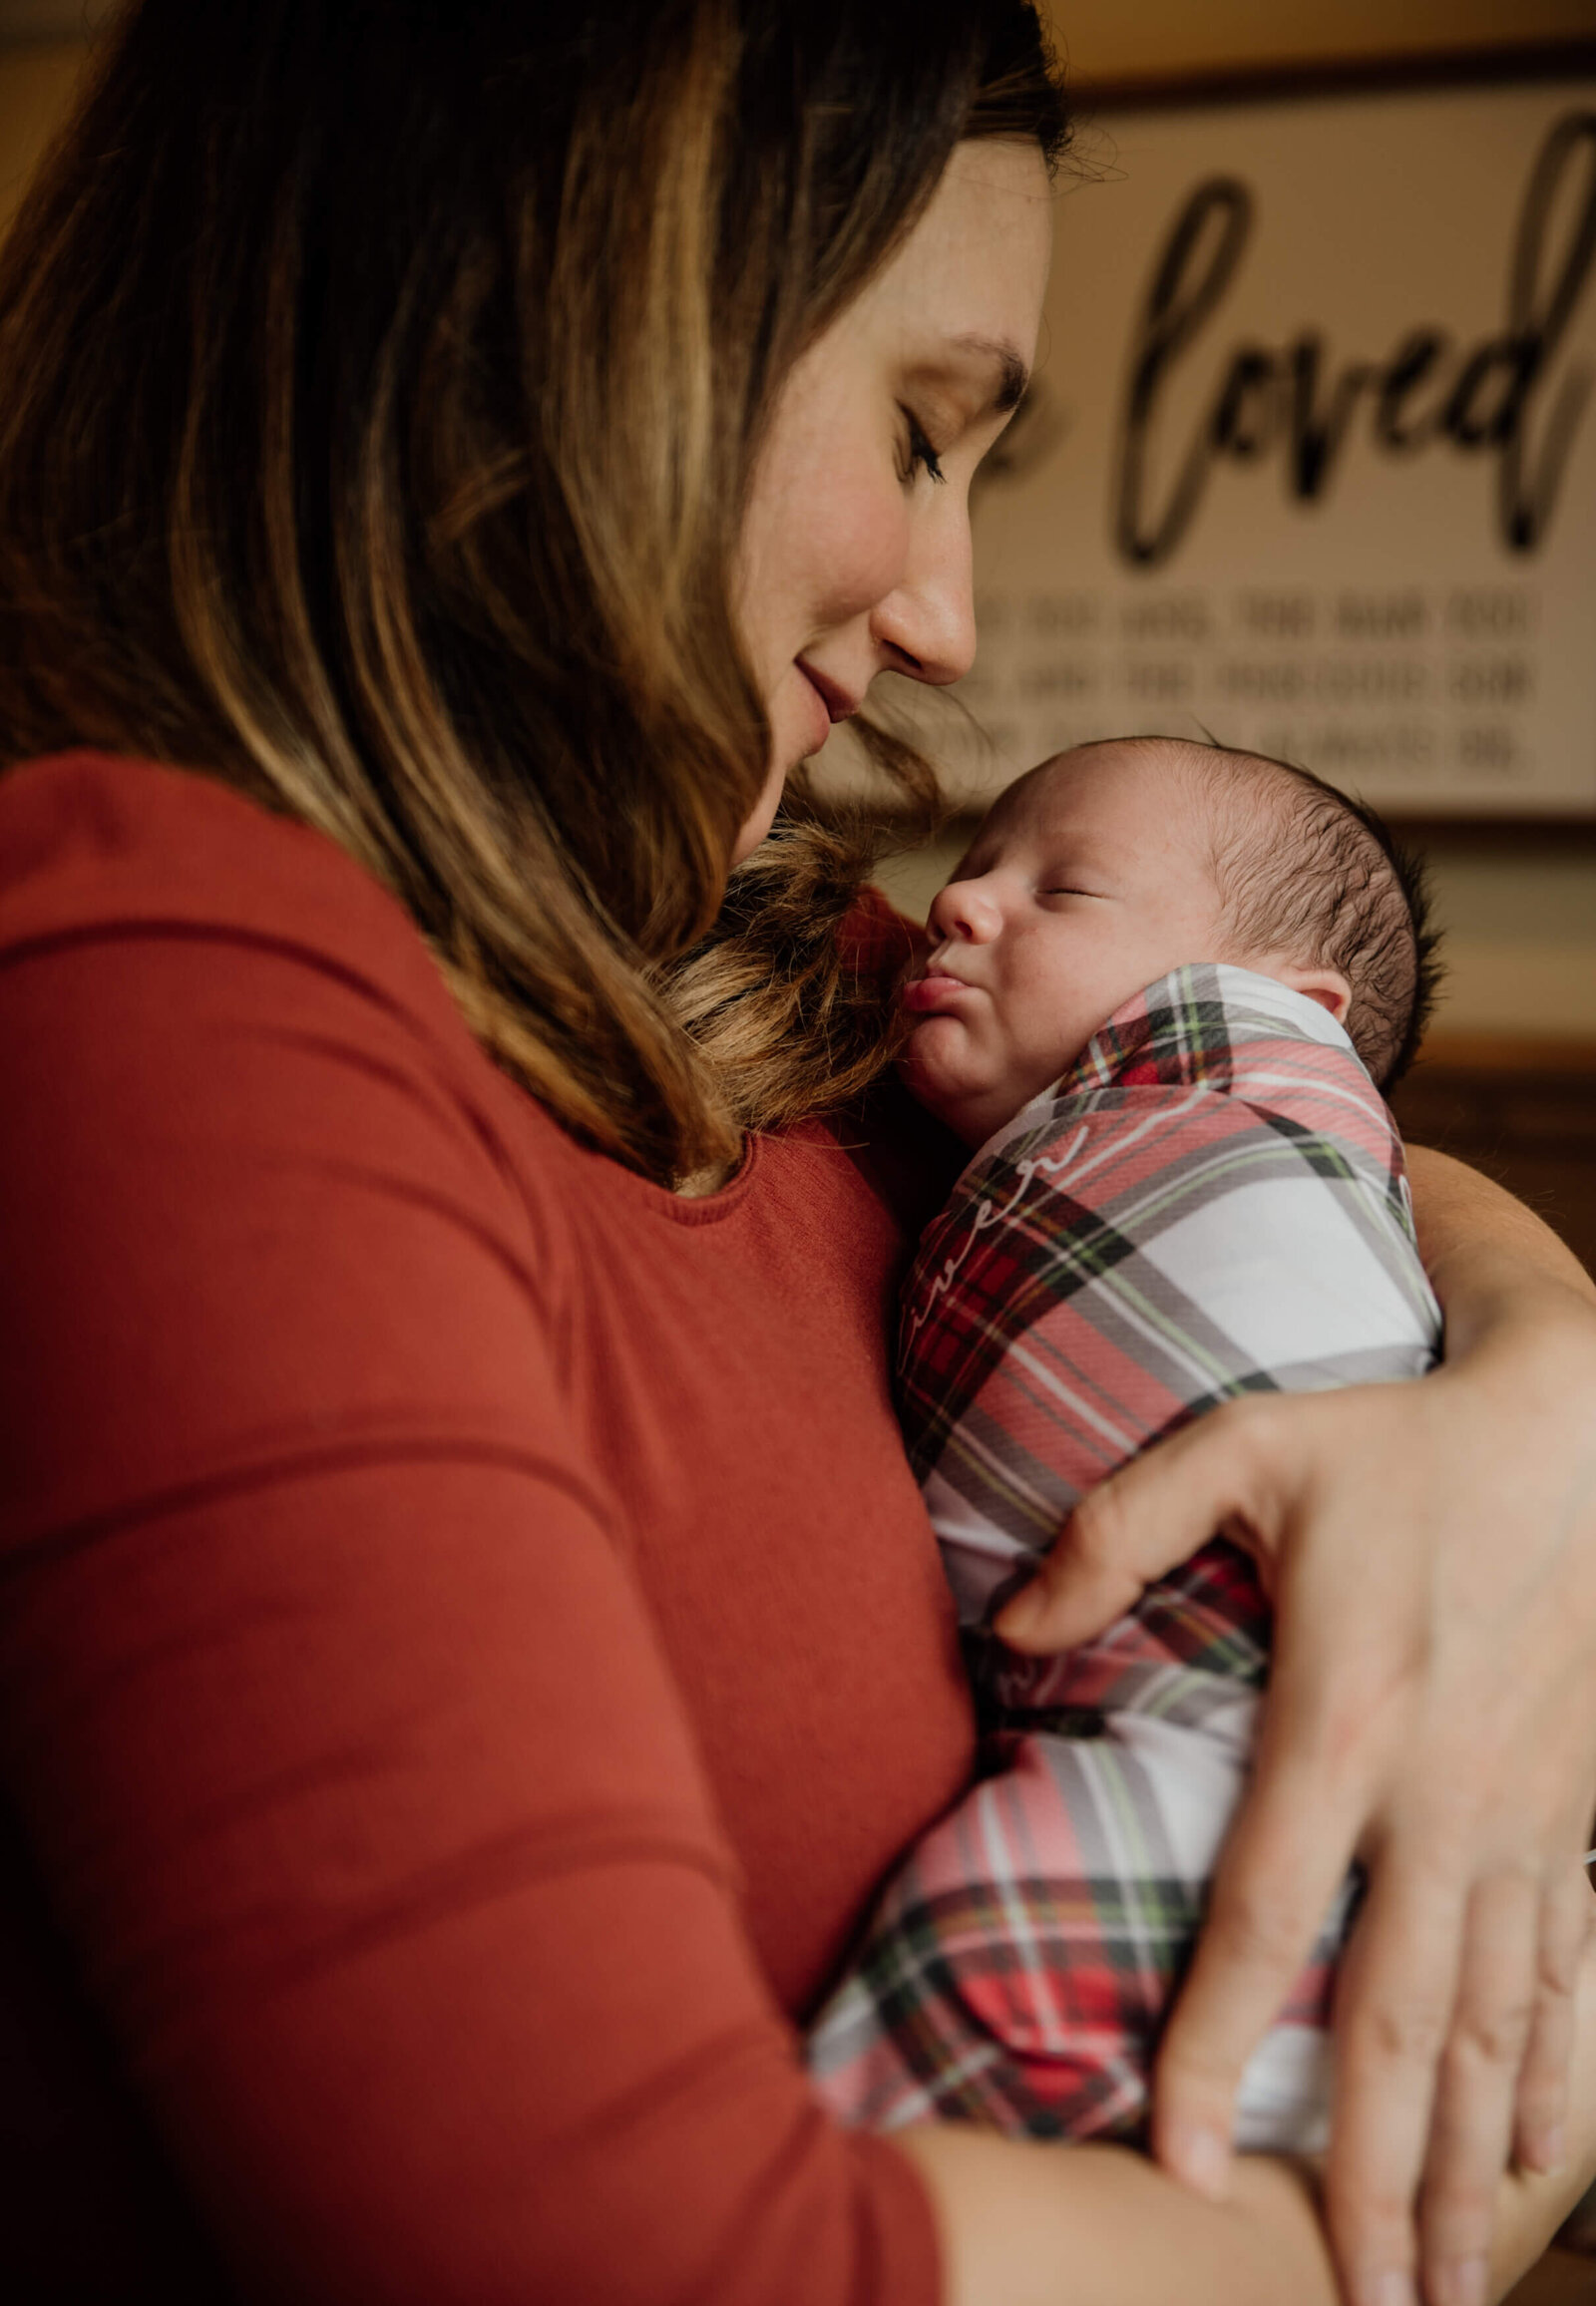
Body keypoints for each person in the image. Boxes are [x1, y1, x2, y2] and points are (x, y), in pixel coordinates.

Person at [0, 8, 1592, 2306]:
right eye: (918, 430)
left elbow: (1263, 1097)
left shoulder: (752, 964)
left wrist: (1540, 1385)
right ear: (568, 321)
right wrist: (1444, 2176)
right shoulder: (162, 982)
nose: (949, 617)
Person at [808, 737, 1446, 2146]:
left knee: (978, 1987)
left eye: (1067, 889)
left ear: (1296, 1009)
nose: (959, 905)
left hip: (1240, 1717)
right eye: (974, 868)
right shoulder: (974, 1118)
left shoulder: (1236, 1081)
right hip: (1115, 1727)